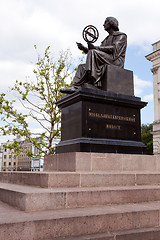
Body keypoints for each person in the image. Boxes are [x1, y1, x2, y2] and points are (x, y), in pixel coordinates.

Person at [60, 17, 127, 94]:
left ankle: (92, 81)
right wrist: (84, 49)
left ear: (111, 23)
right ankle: (74, 86)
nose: (103, 24)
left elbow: (114, 49)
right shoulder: (105, 40)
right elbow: (98, 52)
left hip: (115, 61)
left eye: (105, 22)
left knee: (93, 52)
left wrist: (94, 47)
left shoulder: (121, 36)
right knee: (81, 67)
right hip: (106, 60)